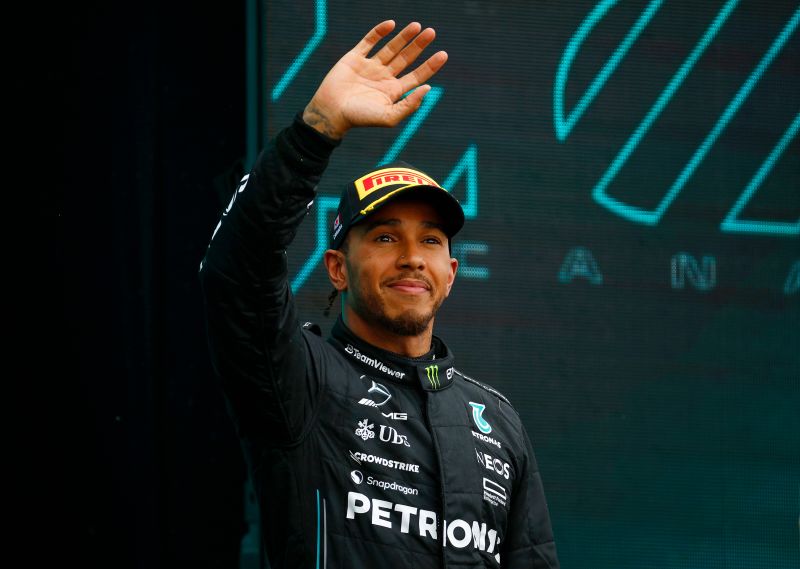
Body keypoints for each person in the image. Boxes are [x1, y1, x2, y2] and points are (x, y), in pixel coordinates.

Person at [200, 19, 559, 568]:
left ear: (452, 273)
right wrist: (315, 129)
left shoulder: (497, 419)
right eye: (387, 236)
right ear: (338, 269)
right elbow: (237, 275)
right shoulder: (302, 378)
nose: (412, 256)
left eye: (431, 240)